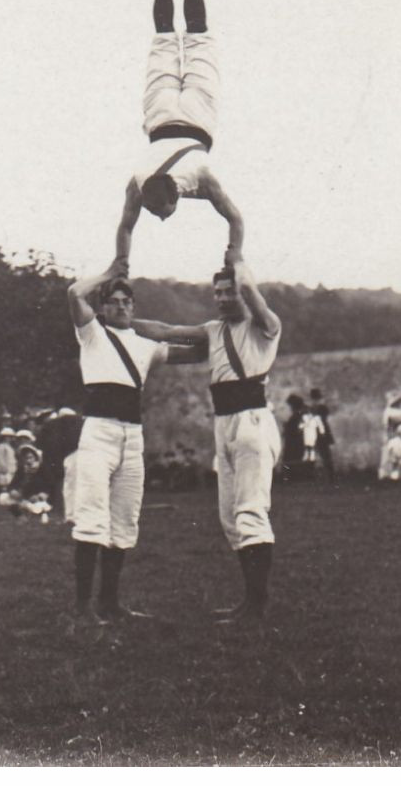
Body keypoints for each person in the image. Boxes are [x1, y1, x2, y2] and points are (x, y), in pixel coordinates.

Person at [128, 253, 280, 625]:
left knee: (250, 511)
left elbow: (248, 287)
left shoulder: (266, 326)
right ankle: (249, 602)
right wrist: (118, 322)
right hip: (224, 423)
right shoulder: (214, 330)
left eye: (229, 292)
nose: (224, 298)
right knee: (230, 518)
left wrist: (239, 256)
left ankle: (258, 607)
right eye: (218, 293)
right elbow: (165, 330)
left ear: (243, 292)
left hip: (252, 422)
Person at [66, 259, 205, 624]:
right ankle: (83, 608)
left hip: (132, 437)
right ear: (102, 308)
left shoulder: (146, 345)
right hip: (98, 433)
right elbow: (73, 293)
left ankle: (110, 603)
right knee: (92, 517)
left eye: (127, 301)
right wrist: (111, 271)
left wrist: (214, 335)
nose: (121, 306)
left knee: (124, 519)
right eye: (113, 301)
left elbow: (197, 351)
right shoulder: (92, 334)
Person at [114, 0, 244, 269]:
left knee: (195, 36)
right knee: (166, 37)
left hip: (196, 118)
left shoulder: (201, 176)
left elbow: (235, 218)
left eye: (159, 212)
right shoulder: (138, 179)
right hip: (160, 116)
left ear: (176, 197)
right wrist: (121, 261)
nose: (160, 218)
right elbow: (126, 226)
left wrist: (236, 254)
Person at [307, 388, 336, 485]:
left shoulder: (314, 409)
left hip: (318, 433)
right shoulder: (319, 408)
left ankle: (329, 477)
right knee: (324, 456)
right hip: (320, 433)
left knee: (324, 455)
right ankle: (327, 476)